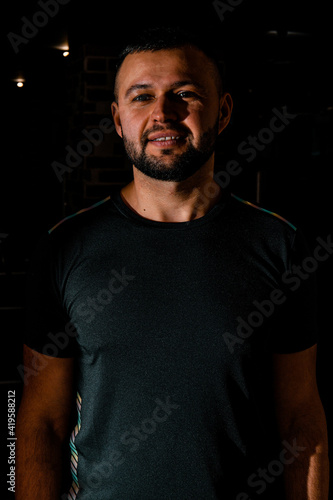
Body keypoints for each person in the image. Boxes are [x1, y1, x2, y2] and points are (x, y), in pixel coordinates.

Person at [16, 26, 329, 499]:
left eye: (184, 94)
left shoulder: (279, 246)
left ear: (222, 112)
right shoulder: (65, 248)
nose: (163, 113)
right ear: (118, 120)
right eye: (141, 97)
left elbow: (301, 418)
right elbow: (40, 423)